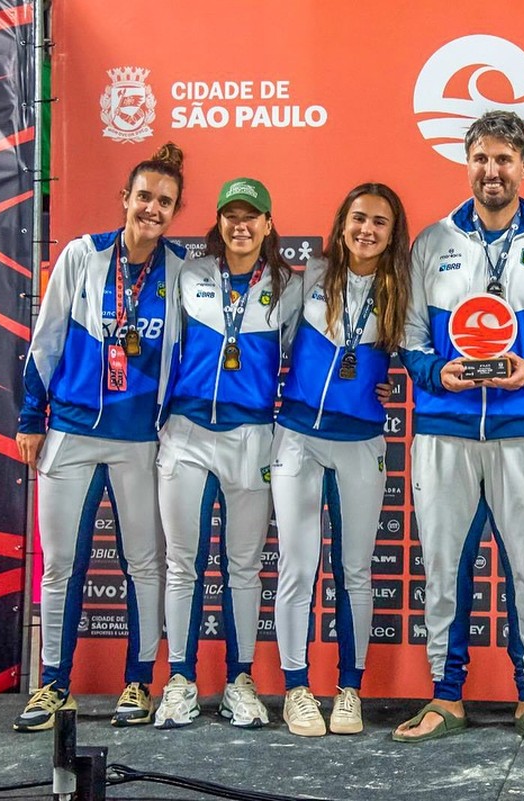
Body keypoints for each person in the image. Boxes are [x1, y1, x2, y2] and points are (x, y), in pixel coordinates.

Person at [394, 110, 524, 746]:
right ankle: (445, 696)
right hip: (447, 431)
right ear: (467, 162)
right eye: (481, 158)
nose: (492, 171)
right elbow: (410, 338)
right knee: (443, 567)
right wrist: (435, 374)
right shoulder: (432, 243)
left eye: (504, 159)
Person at [14, 143, 187, 731]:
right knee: (60, 564)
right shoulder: (82, 256)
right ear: (126, 199)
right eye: (144, 197)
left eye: (165, 202)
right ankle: (52, 687)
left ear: (174, 211)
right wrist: (29, 418)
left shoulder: (181, 270)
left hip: (140, 438)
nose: (152, 209)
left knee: (145, 563)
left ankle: (138, 683)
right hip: (70, 431)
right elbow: (47, 339)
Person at [153, 178, 300, 729]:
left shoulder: (288, 285)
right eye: (231, 216)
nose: (241, 226)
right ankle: (180, 680)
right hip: (188, 434)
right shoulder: (189, 275)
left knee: (244, 568)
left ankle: (240, 680)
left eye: (252, 216)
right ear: (218, 222)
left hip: (252, 438)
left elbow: (309, 357)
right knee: (180, 565)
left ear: (268, 223)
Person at [272, 183, 410, 736]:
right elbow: (261, 340)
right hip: (298, 437)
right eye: (358, 217)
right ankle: (296, 689)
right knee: (297, 568)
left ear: (392, 233)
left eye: (379, 221)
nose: (367, 230)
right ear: (341, 221)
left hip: (361, 443)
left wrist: (396, 386)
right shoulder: (306, 279)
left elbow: (428, 350)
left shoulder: (403, 289)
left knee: (355, 571)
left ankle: (349, 690)